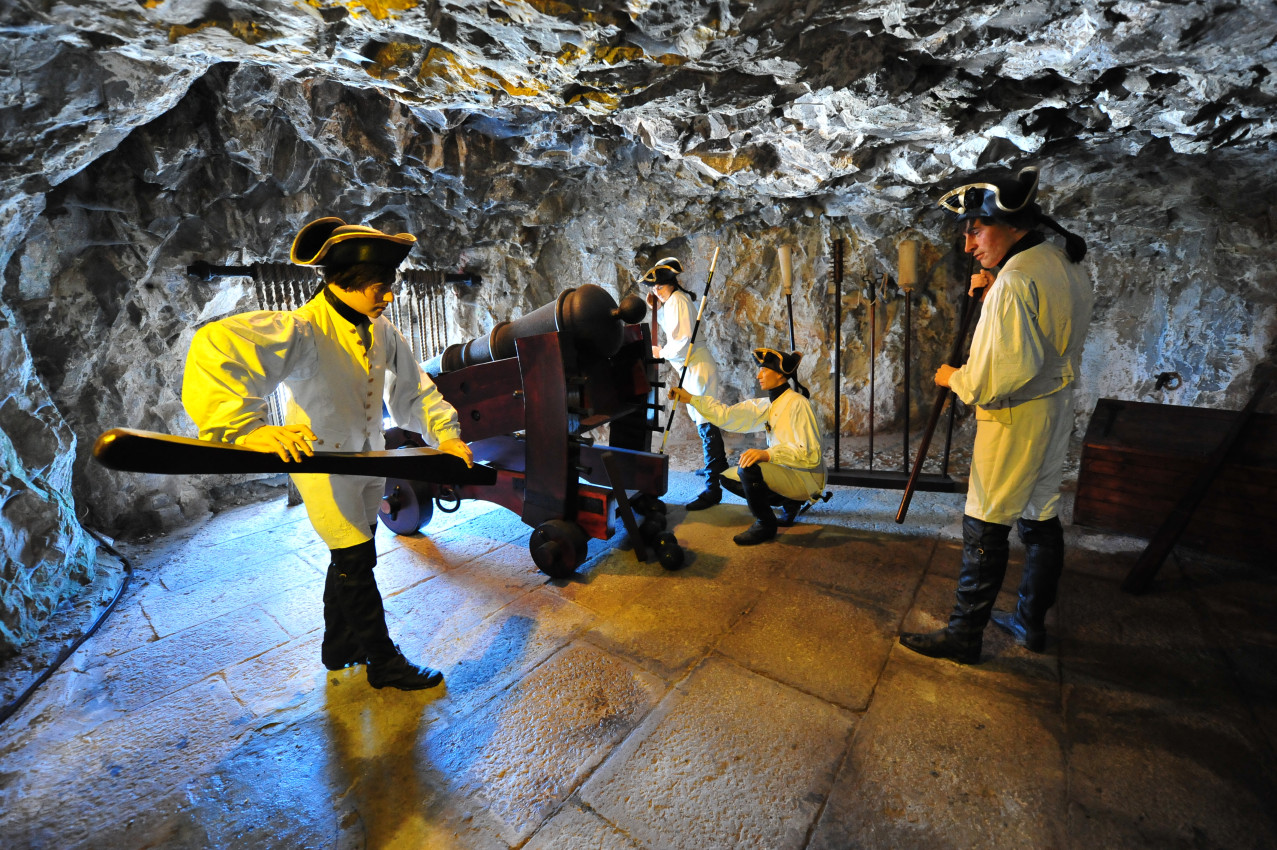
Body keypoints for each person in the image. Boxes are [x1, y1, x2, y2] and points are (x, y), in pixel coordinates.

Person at [182, 217, 474, 690]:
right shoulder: (300, 329)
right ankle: (384, 663)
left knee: (353, 555)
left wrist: (446, 435)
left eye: (389, 286)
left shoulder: (384, 332)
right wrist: (246, 429)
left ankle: (339, 648)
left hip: (370, 460)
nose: (387, 297)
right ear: (349, 282)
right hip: (323, 467)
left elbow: (415, 391)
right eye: (379, 287)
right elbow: (216, 347)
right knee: (356, 562)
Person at [899, 166, 1093, 664]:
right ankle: (1030, 622)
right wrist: (995, 285)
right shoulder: (1058, 259)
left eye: (976, 229)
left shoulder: (1014, 282)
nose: (969, 245)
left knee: (986, 521)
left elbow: (988, 379)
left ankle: (965, 636)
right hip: (1054, 405)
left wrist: (950, 377)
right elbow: (1036, 329)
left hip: (1015, 417)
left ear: (1011, 225)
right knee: (1041, 513)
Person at [669, 348, 826, 545]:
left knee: (749, 468)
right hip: (787, 472)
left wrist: (768, 455)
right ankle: (790, 501)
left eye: (764, 370)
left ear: (779, 375)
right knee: (727, 477)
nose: (758, 375)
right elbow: (727, 415)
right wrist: (691, 398)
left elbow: (810, 454)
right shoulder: (771, 404)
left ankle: (766, 524)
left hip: (806, 477)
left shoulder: (798, 404)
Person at [645, 257, 729, 511]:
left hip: (696, 367)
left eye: (654, 287)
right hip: (691, 367)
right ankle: (718, 466)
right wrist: (657, 310)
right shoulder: (673, 302)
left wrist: (660, 352)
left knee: (706, 424)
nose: (653, 292)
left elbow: (682, 342)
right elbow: (679, 334)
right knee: (702, 419)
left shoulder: (678, 302)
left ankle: (713, 489)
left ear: (662, 286)